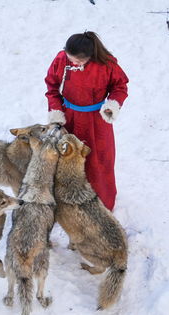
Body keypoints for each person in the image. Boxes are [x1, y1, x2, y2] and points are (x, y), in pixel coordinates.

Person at [44, 31, 129, 211]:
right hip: (69, 119)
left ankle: (101, 204)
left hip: (97, 122)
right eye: (70, 58)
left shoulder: (107, 64)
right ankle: (68, 201)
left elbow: (120, 86)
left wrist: (112, 105)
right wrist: (56, 112)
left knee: (99, 161)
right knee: (68, 159)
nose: (73, 63)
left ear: (89, 57)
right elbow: (52, 86)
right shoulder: (62, 59)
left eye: (78, 62)